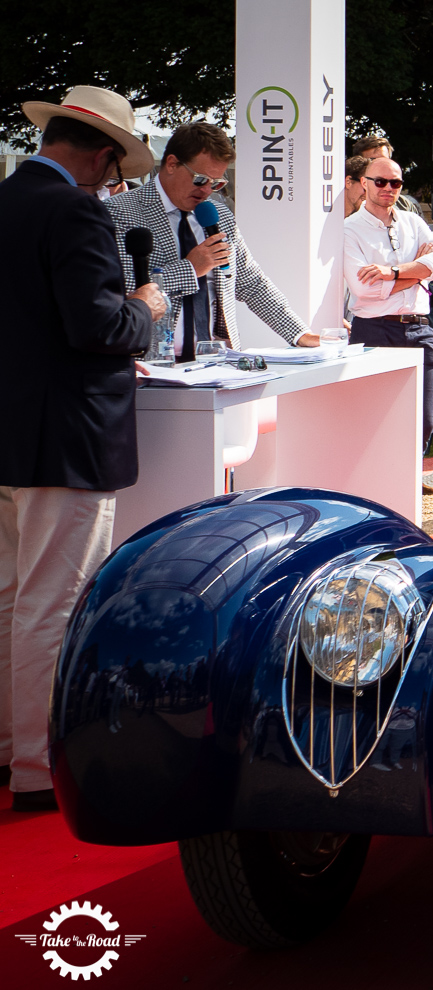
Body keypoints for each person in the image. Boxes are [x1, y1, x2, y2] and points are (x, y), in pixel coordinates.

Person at [1, 85, 166, 812]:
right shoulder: (74, 210)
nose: (112, 180)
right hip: (65, 438)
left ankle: (15, 751)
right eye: (113, 167)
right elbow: (95, 323)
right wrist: (146, 309)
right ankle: (39, 764)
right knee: (52, 601)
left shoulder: (8, 198)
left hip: (14, 429)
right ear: (100, 154)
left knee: (12, 599)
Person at [107, 122, 316, 359]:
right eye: (200, 179)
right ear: (172, 164)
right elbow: (121, 290)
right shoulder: (120, 211)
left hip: (218, 360)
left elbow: (251, 283)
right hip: (151, 362)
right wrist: (191, 268)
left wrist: (299, 333)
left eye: (216, 183)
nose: (207, 191)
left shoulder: (219, 215)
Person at [343, 155, 433, 473]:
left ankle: (406, 481)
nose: (388, 188)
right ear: (364, 184)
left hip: (420, 329)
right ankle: (379, 486)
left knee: (424, 420)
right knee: (374, 420)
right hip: (374, 331)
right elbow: (365, 291)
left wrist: (392, 273)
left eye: (395, 182)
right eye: (380, 181)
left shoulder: (413, 223)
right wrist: (419, 272)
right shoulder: (349, 230)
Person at [351, 135, 422, 213]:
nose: (380, 164)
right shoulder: (347, 201)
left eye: (384, 160)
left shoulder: (405, 205)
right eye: (372, 160)